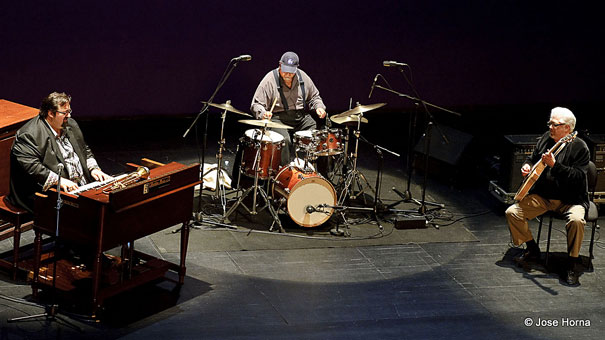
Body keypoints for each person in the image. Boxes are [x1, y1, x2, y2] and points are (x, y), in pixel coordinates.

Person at [505, 107, 590, 286]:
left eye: (555, 124)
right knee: (513, 212)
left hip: (571, 200)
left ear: (567, 128)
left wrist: (555, 165)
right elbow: (533, 158)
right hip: (544, 197)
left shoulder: (580, 147)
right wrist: (527, 166)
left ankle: (572, 264)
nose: (550, 127)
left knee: (576, 221)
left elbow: (578, 177)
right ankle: (532, 249)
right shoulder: (546, 139)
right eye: (550, 123)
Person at [9, 92, 112, 213]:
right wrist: (59, 181)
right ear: (50, 113)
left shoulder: (71, 124)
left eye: (69, 111)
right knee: (92, 215)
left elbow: (85, 150)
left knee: (112, 204)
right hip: (45, 193)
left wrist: (93, 168)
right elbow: (33, 168)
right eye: (64, 113)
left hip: (80, 186)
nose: (68, 116)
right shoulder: (28, 135)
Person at [250, 51, 327, 165]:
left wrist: (319, 107)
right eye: (285, 70)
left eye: (291, 72)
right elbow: (256, 104)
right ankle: (285, 171)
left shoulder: (303, 77)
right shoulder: (269, 80)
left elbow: (315, 96)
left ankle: (305, 168)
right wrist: (263, 113)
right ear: (280, 65)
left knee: (315, 134)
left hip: (299, 117)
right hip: (278, 118)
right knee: (284, 140)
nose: (288, 74)